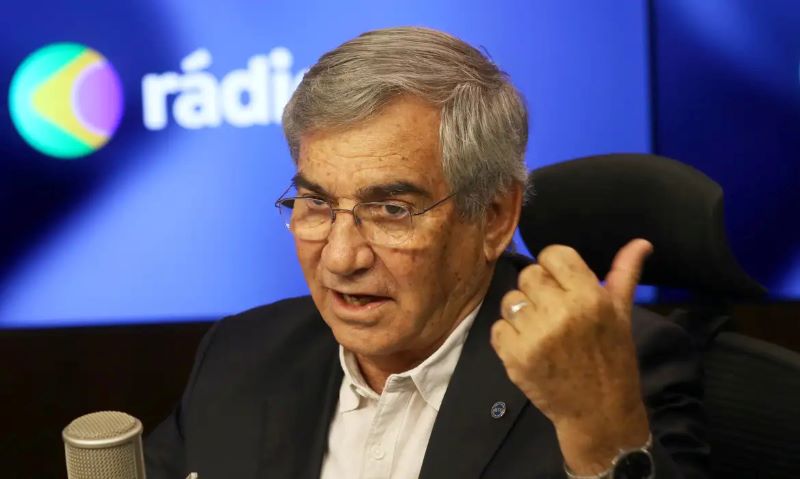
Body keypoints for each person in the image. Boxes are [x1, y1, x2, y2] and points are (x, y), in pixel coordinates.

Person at [145, 27, 707, 478]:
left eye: (391, 210)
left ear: (493, 217)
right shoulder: (241, 355)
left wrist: (603, 440)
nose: (341, 259)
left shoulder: (607, 367)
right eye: (316, 203)